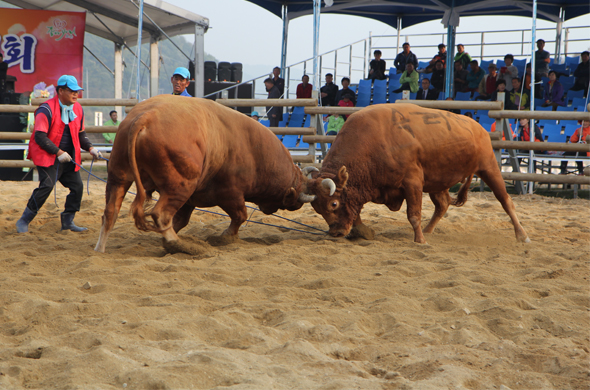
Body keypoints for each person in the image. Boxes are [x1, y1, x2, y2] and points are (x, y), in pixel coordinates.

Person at [15, 75, 102, 234]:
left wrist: (90, 148)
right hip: (48, 156)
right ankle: (24, 220)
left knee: (77, 187)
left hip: (69, 157)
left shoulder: (78, 109)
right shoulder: (45, 109)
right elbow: (40, 136)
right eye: (71, 91)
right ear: (60, 91)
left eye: (77, 91)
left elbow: (81, 134)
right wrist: (58, 152)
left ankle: (68, 221)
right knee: (47, 186)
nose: (76, 94)